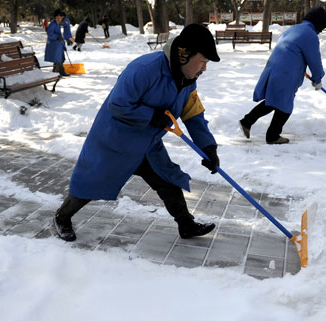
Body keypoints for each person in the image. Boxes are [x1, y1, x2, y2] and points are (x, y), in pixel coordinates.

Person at [53, 24, 221, 242]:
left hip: (148, 144)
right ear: (184, 55)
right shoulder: (144, 69)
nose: (204, 69)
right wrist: (152, 116)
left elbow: (193, 115)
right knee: (92, 182)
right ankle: (62, 216)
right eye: (203, 61)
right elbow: (118, 104)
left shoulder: (187, 81)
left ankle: (186, 225)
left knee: (167, 180)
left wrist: (208, 147)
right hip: (116, 141)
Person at [239, 7, 326, 144]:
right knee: (285, 107)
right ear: (318, 24)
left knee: (274, 100)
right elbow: (314, 60)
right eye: (321, 28)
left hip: (275, 68)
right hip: (285, 73)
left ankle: (247, 121)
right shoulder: (310, 35)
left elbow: (291, 50)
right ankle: (273, 136)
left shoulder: (294, 29)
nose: (320, 31)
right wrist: (318, 78)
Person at [44, 9, 70, 77]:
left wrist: (63, 45)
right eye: (57, 17)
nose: (59, 19)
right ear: (55, 17)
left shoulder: (57, 24)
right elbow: (50, 34)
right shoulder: (53, 24)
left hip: (58, 45)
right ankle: (55, 73)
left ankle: (61, 71)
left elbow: (59, 35)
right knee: (57, 59)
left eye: (60, 17)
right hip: (54, 46)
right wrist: (57, 37)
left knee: (61, 58)